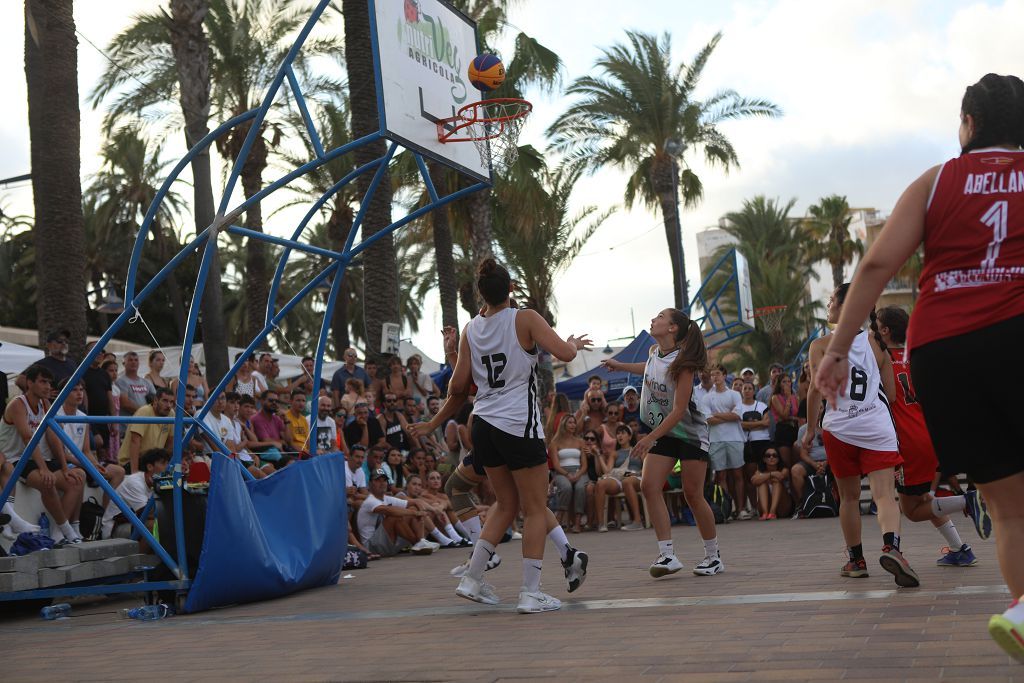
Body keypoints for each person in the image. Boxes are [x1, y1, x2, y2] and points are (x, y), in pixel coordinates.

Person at [814, 76, 1024, 659]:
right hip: (1015, 331)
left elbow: (878, 262)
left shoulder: (936, 182)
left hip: (946, 351)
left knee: (1009, 509)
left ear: (968, 123)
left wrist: (836, 348)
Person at [415, 259, 591, 613]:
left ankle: (472, 578)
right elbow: (565, 353)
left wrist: (432, 422)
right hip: (518, 424)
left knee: (505, 504)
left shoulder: (471, 329)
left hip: (483, 424)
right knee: (536, 508)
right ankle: (530, 591)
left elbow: (458, 387)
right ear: (511, 288)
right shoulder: (524, 318)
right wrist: (571, 342)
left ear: (481, 293)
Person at [806, 283, 918, 588]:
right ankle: (892, 547)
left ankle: (856, 560)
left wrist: (810, 428)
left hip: (840, 428)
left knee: (849, 497)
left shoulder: (821, 346)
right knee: (884, 494)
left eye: (832, 300)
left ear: (847, 306)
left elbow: (816, 390)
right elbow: (892, 395)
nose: (828, 305)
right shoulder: (877, 343)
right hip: (875, 426)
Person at [602, 308, 723, 578]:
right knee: (648, 485)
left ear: (672, 329)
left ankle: (713, 556)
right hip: (665, 432)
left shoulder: (685, 363)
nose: (653, 319)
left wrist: (649, 437)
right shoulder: (653, 354)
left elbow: (680, 410)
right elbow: (647, 370)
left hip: (690, 432)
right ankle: (667, 555)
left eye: (659, 317)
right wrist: (620, 366)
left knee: (693, 494)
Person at [872, 306, 986, 567]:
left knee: (911, 510)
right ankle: (960, 549)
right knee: (924, 498)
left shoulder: (879, 358)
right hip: (928, 433)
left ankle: (967, 502)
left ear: (885, 331)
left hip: (906, 438)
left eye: (876, 325)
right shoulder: (916, 356)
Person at [0, 365, 84, 543]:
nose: (47, 386)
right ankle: (67, 530)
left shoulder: (44, 404)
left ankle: (58, 532)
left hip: (34, 457)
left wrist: (63, 467)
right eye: (42, 381)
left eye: (49, 382)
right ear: (29, 383)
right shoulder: (18, 404)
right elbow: (27, 438)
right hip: (16, 458)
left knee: (76, 479)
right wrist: (44, 468)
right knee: (48, 482)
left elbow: (54, 438)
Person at [699, 364, 749, 521]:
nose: (715, 377)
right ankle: (725, 509)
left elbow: (737, 416)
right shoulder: (707, 397)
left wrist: (717, 414)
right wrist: (727, 414)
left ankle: (741, 509)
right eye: (713, 374)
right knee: (721, 476)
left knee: (738, 474)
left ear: (724, 375)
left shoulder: (735, 394)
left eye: (718, 374)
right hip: (716, 440)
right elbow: (708, 420)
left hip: (735, 438)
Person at [356, 468, 439, 557]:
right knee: (394, 516)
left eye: (384, 480)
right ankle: (417, 543)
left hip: (387, 543)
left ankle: (421, 541)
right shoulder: (370, 500)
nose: (382, 483)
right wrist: (414, 513)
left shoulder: (387, 498)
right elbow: (388, 510)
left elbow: (415, 502)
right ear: (371, 484)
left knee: (413, 508)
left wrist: (425, 510)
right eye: (377, 480)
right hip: (372, 547)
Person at [100, 447, 169, 540]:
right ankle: (142, 554)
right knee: (152, 526)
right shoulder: (135, 482)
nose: (167, 467)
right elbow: (146, 513)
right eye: (163, 463)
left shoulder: (156, 482)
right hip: (115, 528)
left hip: (133, 522)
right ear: (149, 467)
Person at [592, 423, 644, 531]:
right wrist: (598, 455)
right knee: (600, 484)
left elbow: (646, 468)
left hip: (636, 476)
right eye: (618, 433)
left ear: (629, 436)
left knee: (627, 482)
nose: (620, 436)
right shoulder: (614, 453)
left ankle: (637, 521)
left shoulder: (638, 450)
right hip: (619, 477)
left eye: (623, 433)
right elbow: (607, 471)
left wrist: (635, 474)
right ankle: (601, 523)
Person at [118, 386, 174, 473]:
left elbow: (171, 442)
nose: (169, 405)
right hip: (133, 462)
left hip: (153, 463)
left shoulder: (171, 414)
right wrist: (135, 473)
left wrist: (166, 466)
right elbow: (134, 441)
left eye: (171, 402)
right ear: (155, 400)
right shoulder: (144, 412)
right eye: (165, 401)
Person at [548, 415, 588, 534]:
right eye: (570, 422)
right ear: (563, 425)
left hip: (579, 471)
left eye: (574, 423)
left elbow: (584, 464)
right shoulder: (555, 443)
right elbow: (556, 465)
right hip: (562, 471)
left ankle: (577, 522)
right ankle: (559, 517)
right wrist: (567, 474)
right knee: (566, 487)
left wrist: (578, 474)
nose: (573, 425)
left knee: (580, 487)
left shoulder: (580, 442)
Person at [739, 380, 771, 516]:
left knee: (765, 475)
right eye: (744, 388)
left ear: (754, 391)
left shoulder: (762, 405)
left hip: (763, 442)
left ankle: (767, 507)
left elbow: (767, 423)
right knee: (750, 477)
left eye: (749, 388)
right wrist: (758, 423)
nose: (746, 390)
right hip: (747, 444)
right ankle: (754, 507)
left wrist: (748, 424)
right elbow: (739, 425)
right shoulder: (738, 407)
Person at [791, 422, 827, 507]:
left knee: (842, 468)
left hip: (830, 461)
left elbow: (835, 451)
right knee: (796, 470)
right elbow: (803, 454)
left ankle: (843, 502)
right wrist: (815, 464)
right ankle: (803, 503)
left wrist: (826, 463)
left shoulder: (831, 426)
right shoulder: (803, 429)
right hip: (811, 462)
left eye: (821, 408)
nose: (818, 411)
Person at [750, 447, 792, 520]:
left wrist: (764, 477)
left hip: (782, 507)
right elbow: (753, 480)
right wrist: (771, 474)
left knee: (776, 482)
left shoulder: (784, 469)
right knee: (762, 483)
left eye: (774, 455)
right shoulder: (760, 471)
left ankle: (772, 512)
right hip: (764, 508)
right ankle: (765, 513)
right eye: (768, 456)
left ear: (778, 459)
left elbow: (781, 476)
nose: (771, 457)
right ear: (764, 459)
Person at [770, 373, 799, 468]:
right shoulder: (775, 397)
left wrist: (794, 418)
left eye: (789, 381)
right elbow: (784, 416)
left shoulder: (796, 397)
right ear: (779, 384)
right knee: (786, 463)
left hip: (795, 429)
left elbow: (798, 415)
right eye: (784, 381)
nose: (787, 383)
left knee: (796, 461)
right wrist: (788, 397)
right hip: (783, 430)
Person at [116, 351, 151, 418]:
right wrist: (145, 413)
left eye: (136, 360)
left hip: (144, 423)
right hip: (127, 425)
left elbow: (156, 399)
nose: (133, 362)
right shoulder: (120, 381)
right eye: (130, 360)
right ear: (124, 363)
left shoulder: (147, 382)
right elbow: (125, 404)